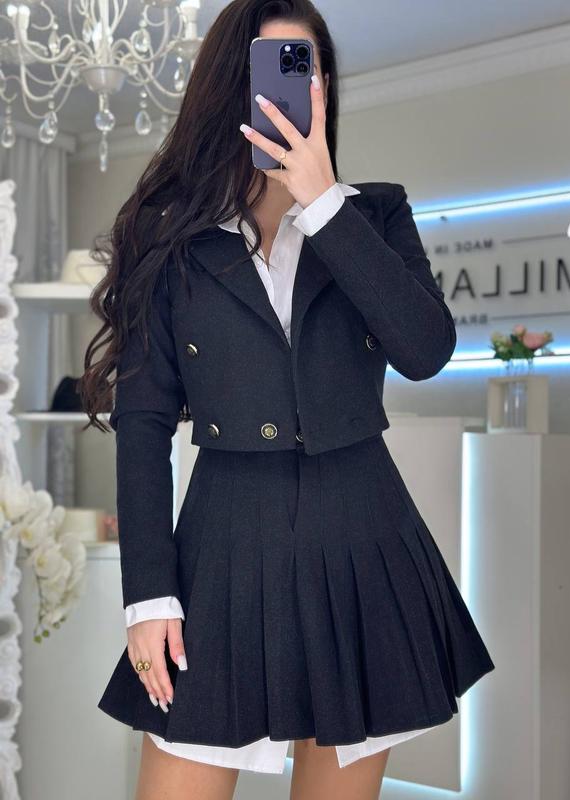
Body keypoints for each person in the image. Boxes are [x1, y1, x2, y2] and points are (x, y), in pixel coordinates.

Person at [81, 1, 495, 798]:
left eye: (302, 67)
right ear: (228, 89)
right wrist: (147, 594)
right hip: (222, 550)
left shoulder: (372, 214)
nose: (286, 89)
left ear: (324, 87)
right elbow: (142, 422)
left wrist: (323, 201)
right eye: (266, 69)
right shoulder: (168, 235)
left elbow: (425, 352)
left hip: (363, 544)